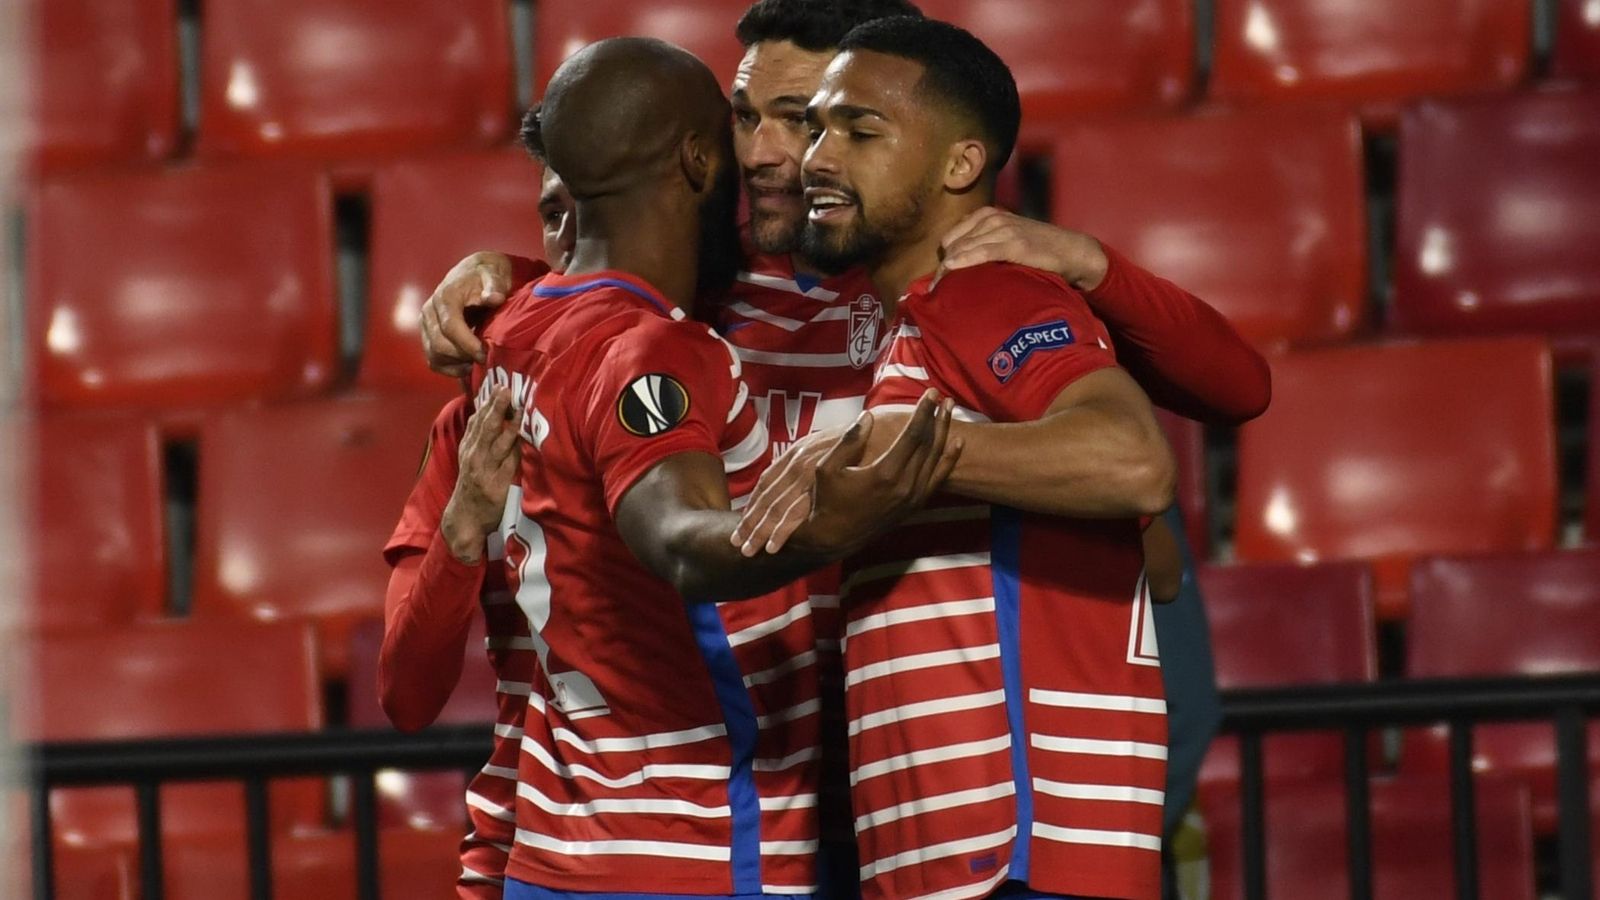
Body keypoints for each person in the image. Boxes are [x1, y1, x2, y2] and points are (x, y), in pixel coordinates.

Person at [416, 3, 1268, 893]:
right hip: (796, 782)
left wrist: (1093, 266)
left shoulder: (954, 280)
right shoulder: (707, 295)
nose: (775, 153)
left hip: (968, 776)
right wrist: (504, 281)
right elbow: (593, 281)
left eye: (815, 121)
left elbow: (1211, 428)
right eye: (749, 118)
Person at [461, 36, 958, 898]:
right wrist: (840, 517)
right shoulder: (662, 346)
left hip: (561, 844)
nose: (758, 155)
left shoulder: (512, 333)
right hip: (693, 841)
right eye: (736, 125)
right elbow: (678, 538)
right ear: (697, 158)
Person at [746, 15, 1185, 898]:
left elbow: (1134, 459)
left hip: (1014, 850)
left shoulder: (983, 292)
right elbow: (1157, 553)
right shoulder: (914, 330)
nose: (816, 160)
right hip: (953, 854)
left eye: (857, 132)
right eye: (817, 128)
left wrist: (899, 456)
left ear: (958, 165)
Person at [378, 115, 578, 897]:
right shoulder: (471, 424)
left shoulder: (714, 378)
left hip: (697, 852)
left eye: (598, 210)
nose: (574, 243)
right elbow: (407, 696)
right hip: (511, 855)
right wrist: (462, 534)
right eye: (556, 214)